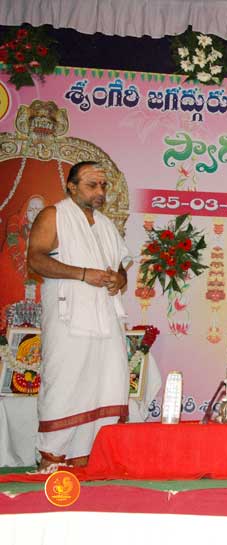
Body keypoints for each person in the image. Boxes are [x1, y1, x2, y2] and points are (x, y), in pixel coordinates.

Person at [27, 161, 130, 470]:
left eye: (103, 185)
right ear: (72, 186)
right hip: (69, 317)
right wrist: (83, 274)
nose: (100, 191)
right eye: (92, 185)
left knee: (107, 382)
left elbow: (121, 267)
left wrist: (119, 279)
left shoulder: (106, 224)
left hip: (106, 317)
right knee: (66, 383)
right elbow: (36, 260)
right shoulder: (53, 215)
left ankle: (88, 458)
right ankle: (52, 457)